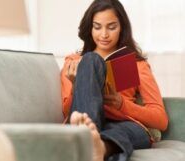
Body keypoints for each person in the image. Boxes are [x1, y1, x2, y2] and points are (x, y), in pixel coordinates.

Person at [60, 0, 169, 161]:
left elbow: (161, 120)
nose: (104, 34)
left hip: (124, 125)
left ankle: (97, 146)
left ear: (122, 28)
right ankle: (90, 138)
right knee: (91, 60)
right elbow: (67, 111)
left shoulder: (137, 65)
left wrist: (121, 105)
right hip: (84, 119)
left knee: (120, 133)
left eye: (112, 27)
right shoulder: (75, 62)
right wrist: (78, 86)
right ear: (89, 28)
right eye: (97, 27)